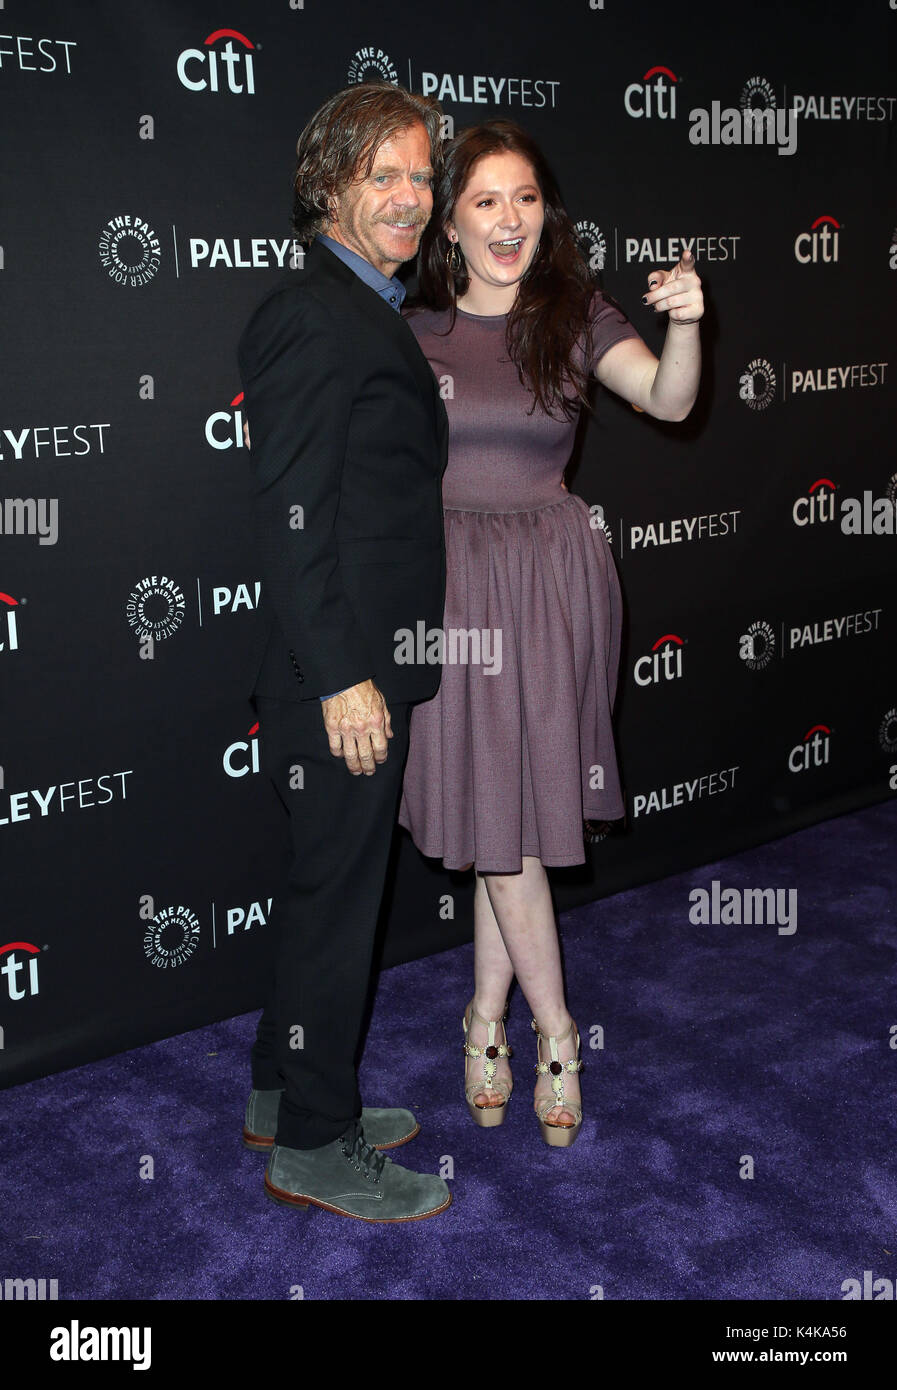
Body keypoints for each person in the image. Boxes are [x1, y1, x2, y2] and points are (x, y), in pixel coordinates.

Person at [397, 119, 703, 1147]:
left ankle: (512, 1026)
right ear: (451, 220)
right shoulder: (414, 330)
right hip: (454, 589)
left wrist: (690, 325)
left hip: (552, 581)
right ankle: (533, 1026)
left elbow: (669, 396)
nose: (509, 218)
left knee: (512, 815)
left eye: (525, 197)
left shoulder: (574, 315)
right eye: (486, 199)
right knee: (503, 816)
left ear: (546, 214)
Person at [237, 83, 453, 1220]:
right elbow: (291, 512)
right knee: (335, 904)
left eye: (423, 176)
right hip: (344, 675)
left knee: (327, 891)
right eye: (386, 176)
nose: (412, 198)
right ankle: (315, 1144)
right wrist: (341, 675)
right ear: (328, 186)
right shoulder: (313, 313)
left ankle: (286, 1087)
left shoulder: (363, 306)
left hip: (361, 660)